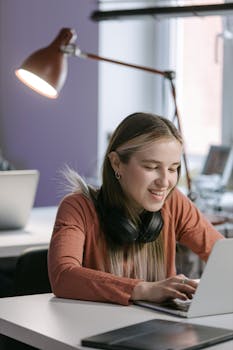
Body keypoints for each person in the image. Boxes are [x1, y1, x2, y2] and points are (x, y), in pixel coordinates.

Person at [48, 112, 223, 306]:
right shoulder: (78, 207)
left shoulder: (174, 203)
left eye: (173, 169)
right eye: (151, 167)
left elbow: (223, 255)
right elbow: (63, 277)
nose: (165, 182)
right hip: (94, 329)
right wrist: (145, 289)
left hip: (161, 330)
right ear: (116, 163)